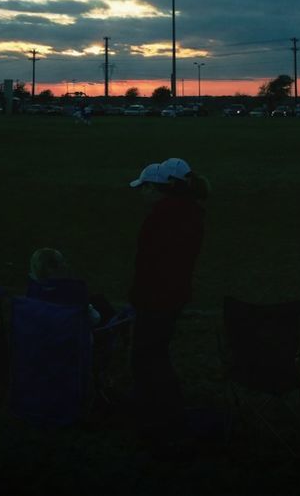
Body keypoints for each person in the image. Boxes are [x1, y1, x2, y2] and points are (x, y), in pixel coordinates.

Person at [128, 156, 209, 441]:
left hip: (157, 297)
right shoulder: (188, 212)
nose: (141, 194)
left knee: (149, 357)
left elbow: (151, 262)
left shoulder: (164, 216)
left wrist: (140, 296)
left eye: (145, 188)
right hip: (171, 294)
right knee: (154, 355)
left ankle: (163, 416)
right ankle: (163, 412)